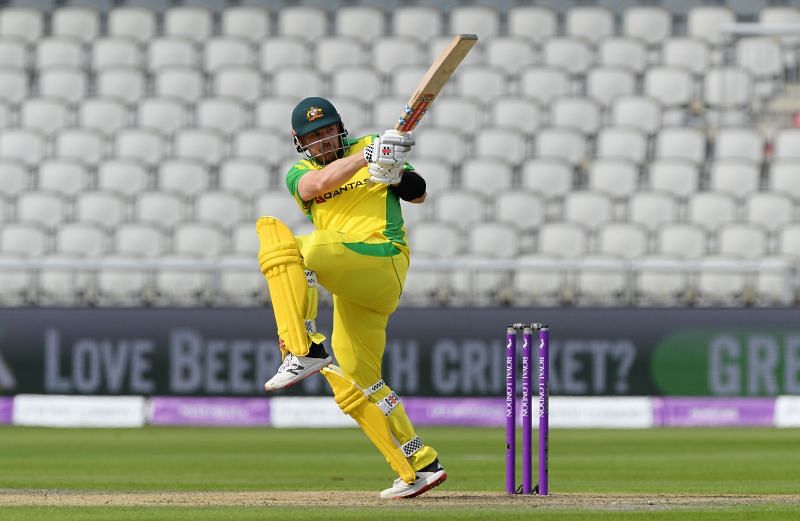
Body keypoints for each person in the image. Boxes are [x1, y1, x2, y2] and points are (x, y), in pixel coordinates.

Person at [255, 96, 446, 499]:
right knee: (361, 375)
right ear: (299, 142)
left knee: (305, 250)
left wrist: (392, 172)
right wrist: (367, 160)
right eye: (313, 137)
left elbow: (419, 192)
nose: (323, 141)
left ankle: (305, 345)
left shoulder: (372, 144)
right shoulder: (299, 173)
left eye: (327, 131)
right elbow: (316, 185)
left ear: (340, 127)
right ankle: (421, 462)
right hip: (353, 283)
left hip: (384, 259)